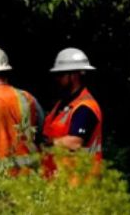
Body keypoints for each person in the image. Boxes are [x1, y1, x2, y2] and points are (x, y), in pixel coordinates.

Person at [42, 47, 103, 178]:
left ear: (74, 75)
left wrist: (48, 142)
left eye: (61, 75)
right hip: (60, 181)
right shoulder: (62, 104)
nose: (57, 79)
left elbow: (76, 142)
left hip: (80, 183)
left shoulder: (85, 107)